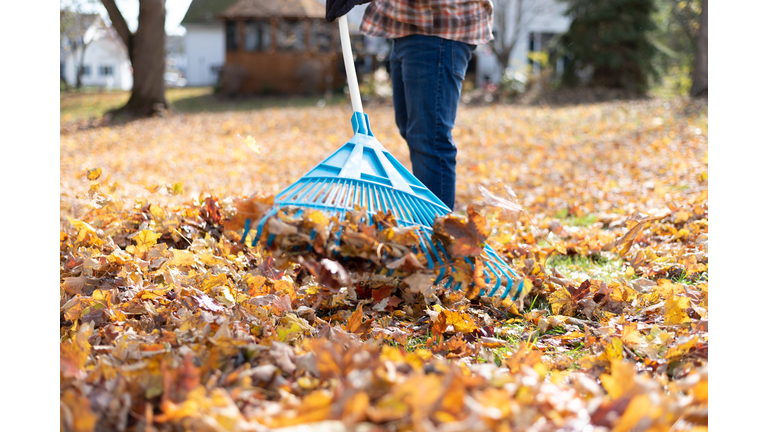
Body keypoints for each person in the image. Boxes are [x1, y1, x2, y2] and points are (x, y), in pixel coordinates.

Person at [326, 0, 494, 211]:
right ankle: (426, 217)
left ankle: (435, 231)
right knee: (413, 131)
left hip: (438, 24)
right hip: (406, 26)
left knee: (429, 139)